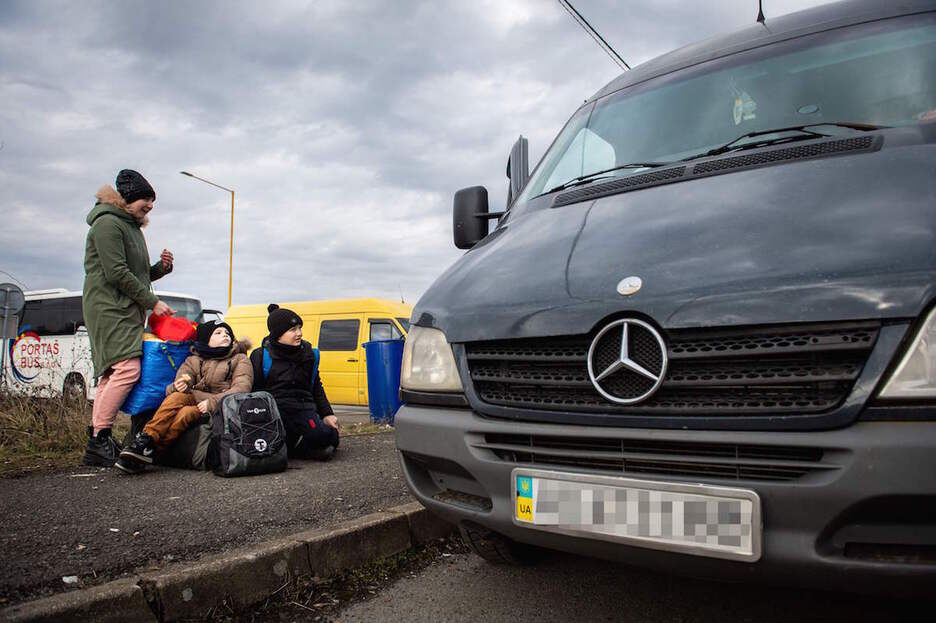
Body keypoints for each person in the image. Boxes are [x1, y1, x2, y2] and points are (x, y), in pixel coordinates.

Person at [81, 169, 176, 467]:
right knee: (126, 370)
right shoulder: (108, 224)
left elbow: (137, 273)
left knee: (112, 372)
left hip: (124, 307)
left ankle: (99, 438)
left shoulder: (131, 227)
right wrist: (152, 301)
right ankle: (99, 439)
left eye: (151, 205)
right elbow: (116, 273)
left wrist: (160, 269)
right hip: (109, 307)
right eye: (144, 204)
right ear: (126, 199)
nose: (148, 209)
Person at [115, 320, 253, 473]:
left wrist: (212, 402)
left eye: (228, 333)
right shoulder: (193, 360)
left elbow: (242, 388)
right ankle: (146, 441)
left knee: (185, 413)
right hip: (194, 399)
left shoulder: (240, 359)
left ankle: (150, 450)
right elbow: (179, 383)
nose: (225, 336)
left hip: (219, 407)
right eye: (218, 333)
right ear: (206, 339)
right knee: (176, 397)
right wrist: (178, 385)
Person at [250, 304, 339, 460]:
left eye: (299, 328)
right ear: (278, 334)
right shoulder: (261, 356)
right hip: (274, 411)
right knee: (276, 438)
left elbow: (316, 387)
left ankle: (300, 448)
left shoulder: (308, 355)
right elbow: (254, 390)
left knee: (325, 436)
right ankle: (300, 448)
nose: (299, 333)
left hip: (303, 409)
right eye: (293, 330)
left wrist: (327, 414)